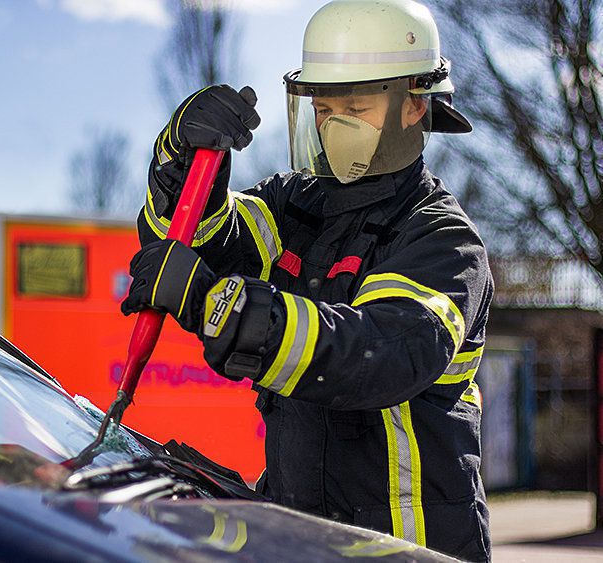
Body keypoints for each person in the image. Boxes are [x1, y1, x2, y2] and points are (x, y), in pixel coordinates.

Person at [122, 0, 493, 560]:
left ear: (415, 106)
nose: (333, 124)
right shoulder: (292, 206)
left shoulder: (442, 241)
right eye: (322, 106)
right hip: (300, 544)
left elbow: (373, 355)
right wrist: (181, 158)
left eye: (356, 105)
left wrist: (211, 303)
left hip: (411, 551)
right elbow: (198, 237)